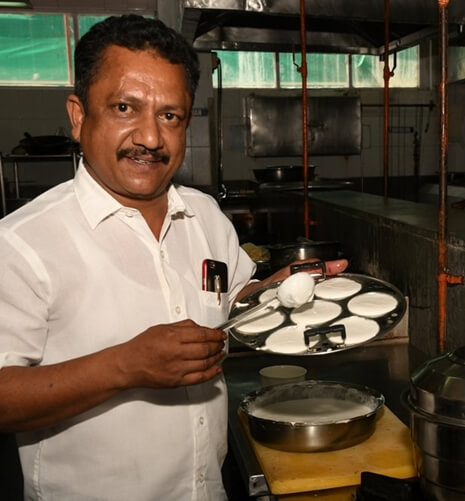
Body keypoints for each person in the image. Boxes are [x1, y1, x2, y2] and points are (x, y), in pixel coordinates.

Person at [0, 15, 346, 500]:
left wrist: (278, 292)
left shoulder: (203, 215)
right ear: (79, 116)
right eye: (125, 108)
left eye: (170, 116)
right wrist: (124, 366)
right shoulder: (22, 242)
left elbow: (232, 307)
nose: (150, 138)